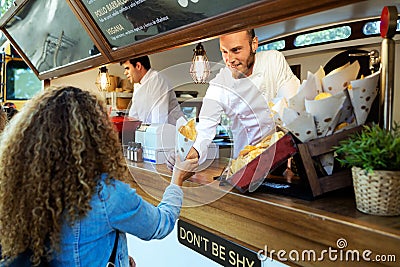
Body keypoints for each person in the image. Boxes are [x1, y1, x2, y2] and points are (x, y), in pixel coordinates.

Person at [0, 86, 198, 266]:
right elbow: (158, 225)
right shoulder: (106, 194)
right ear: (97, 134)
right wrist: (177, 179)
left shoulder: (22, 184)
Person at [168, 29, 300, 167]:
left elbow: (293, 105)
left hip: (284, 158)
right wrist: (186, 153)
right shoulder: (219, 84)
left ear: (254, 44)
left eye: (236, 50)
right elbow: (205, 129)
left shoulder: (273, 61)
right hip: (246, 164)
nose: (230, 60)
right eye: (224, 51)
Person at [120, 55, 184, 125]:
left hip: (173, 131)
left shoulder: (157, 80)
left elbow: (159, 118)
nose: (125, 73)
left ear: (138, 66)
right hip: (150, 131)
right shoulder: (137, 84)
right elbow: (134, 114)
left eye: (127, 68)